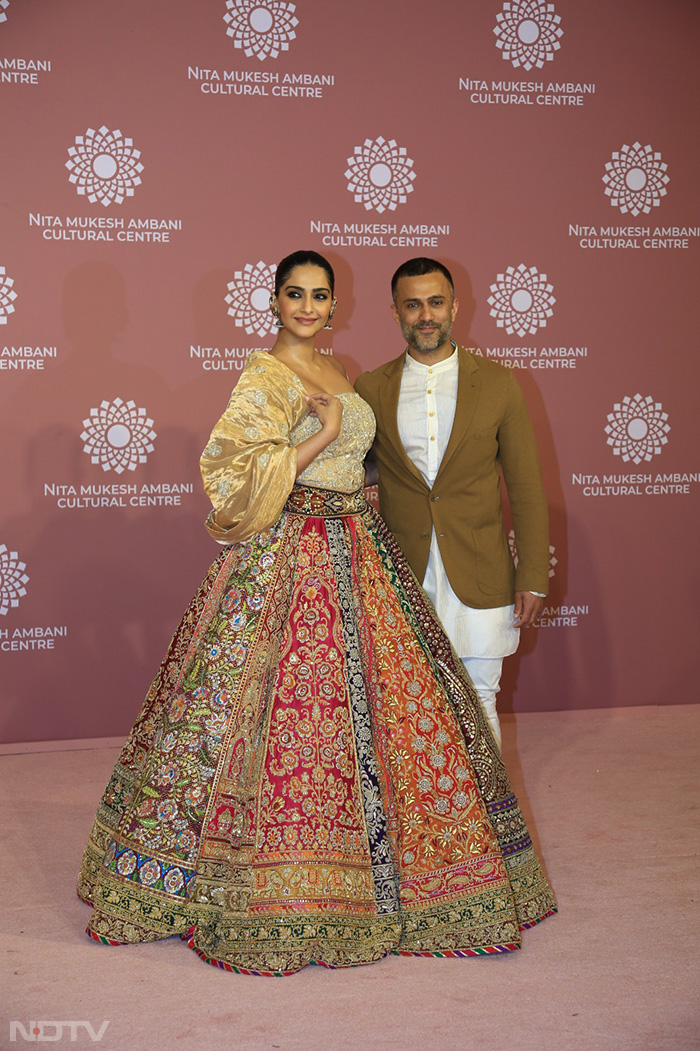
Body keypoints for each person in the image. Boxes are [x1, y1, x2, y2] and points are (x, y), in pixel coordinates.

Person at [78, 250, 555, 976]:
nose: (308, 305)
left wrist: (344, 450)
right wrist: (322, 436)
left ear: (336, 306)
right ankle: (274, 879)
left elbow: (376, 466)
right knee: (286, 718)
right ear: (273, 301)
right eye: (295, 293)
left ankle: (399, 874)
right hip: (290, 556)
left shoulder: (342, 371)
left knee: (377, 718)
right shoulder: (265, 375)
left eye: (320, 295)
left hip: (361, 550)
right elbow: (233, 474)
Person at [355, 258, 549, 748]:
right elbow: (360, 471)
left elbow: (526, 488)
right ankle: (431, 823)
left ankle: (489, 824)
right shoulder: (370, 388)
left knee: (481, 698)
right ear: (395, 311)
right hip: (402, 575)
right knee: (409, 708)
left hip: (480, 571)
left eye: (436, 303)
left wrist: (532, 577)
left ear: (455, 307)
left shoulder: (501, 383)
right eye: (413, 304)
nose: (426, 315)